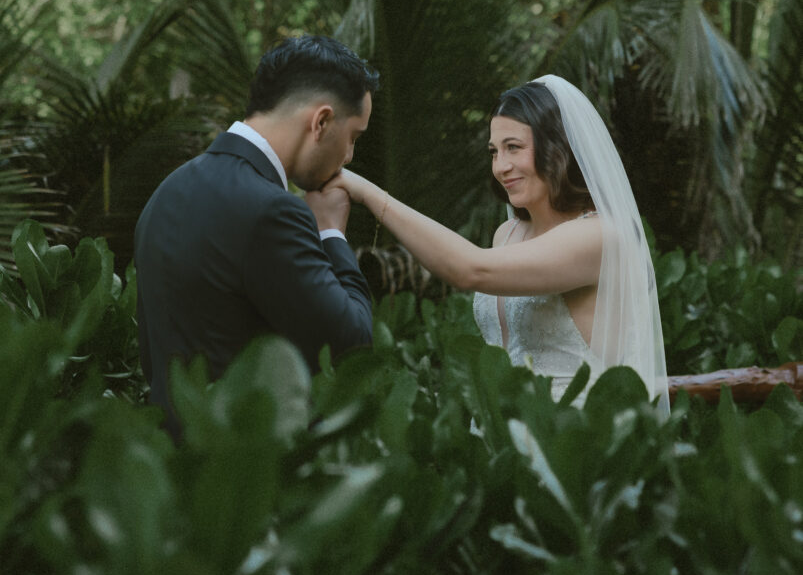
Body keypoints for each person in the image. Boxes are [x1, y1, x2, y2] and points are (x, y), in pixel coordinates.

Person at [327, 75, 669, 417]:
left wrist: (368, 194)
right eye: (494, 152)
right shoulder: (508, 233)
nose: (500, 167)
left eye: (513, 147)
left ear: (558, 148)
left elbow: (469, 269)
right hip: (500, 436)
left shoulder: (599, 235)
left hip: (573, 435)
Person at [134, 34, 380, 438]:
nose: (349, 156)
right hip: (243, 469)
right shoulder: (273, 211)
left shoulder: (167, 191)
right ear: (321, 122)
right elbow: (352, 343)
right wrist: (331, 231)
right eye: (353, 136)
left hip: (167, 464)